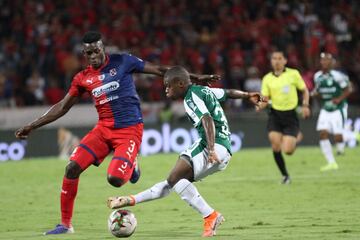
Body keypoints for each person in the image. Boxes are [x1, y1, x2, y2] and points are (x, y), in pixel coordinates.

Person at [14, 32, 218, 235]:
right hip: (103, 130)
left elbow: (160, 70)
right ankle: (65, 225)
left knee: (115, 180)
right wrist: (33, 125)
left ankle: (132, 163)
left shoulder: (123, 61)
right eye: (88, 53)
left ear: (103, 48)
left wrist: (194, 77)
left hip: (130, 130)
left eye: (96, 50)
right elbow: (62, 106)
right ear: (84, 54)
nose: (93, 55)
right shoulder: (82, 78)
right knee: (71, 168)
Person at [107, 66, 264, 237]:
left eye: (168, 85)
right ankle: (130, 200)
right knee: (176, 181)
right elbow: (227, 93)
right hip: (223, 148)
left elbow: (207, 119)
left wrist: (210, 149)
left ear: (181, 84)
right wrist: (248, 95)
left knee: (175, 179)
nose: (166, 89)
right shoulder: (202, 90)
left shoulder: (191, 98)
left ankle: (211, 216)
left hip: (212, 145)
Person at [257, 51, 310, 184]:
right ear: (271, 61)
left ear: (285, 61)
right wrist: (259, 105)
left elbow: (304, 90)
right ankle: (285, 176)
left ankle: (296, 136)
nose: (277, 61)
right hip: (275, 115)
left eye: (280, 58)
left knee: (288, 151)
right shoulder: (267, 78)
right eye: (274, 58)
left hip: (290, 116)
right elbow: (265, 98)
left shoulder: (293, 74)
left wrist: (305, 105)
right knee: (275, 145)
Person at [312, 52, 352, 171]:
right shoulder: (317, 76)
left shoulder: (337, 76)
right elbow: (318, 91)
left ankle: (352, 137)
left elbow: (348, 89)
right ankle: (331, 162)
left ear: (332, 63)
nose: (324, 62)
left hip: (338, 108)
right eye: (323, 60)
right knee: (322, 133)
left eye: (327, 60)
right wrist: (315, 94)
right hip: (326, 108)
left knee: (337, 135)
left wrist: (339, 99)